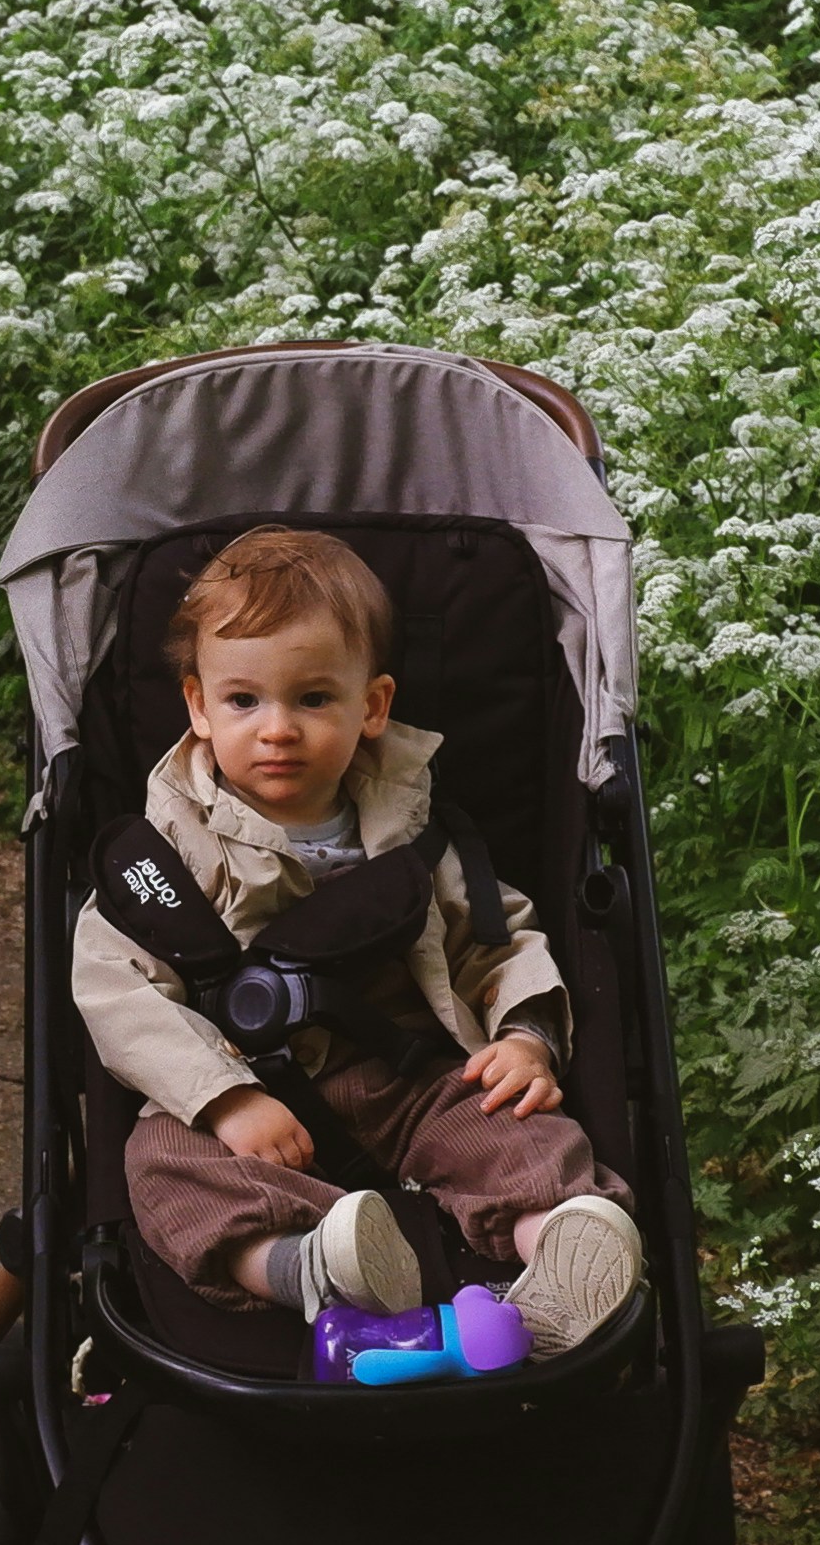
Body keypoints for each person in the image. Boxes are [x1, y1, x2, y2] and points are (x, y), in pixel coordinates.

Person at [71, 523, 647, 1358]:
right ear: (197, 707)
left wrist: (525, 1036)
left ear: (372, 707)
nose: (277, 729)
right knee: (160, 1161)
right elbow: (116, 987)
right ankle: (308, 1265)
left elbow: (497, 938)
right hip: (241, 1088)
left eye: (312, 699)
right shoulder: (168, 851)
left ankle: (556, 1247)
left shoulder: (413, 829)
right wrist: (223, 1099)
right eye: (243, 701)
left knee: (513, 1122)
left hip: (407, 1076)